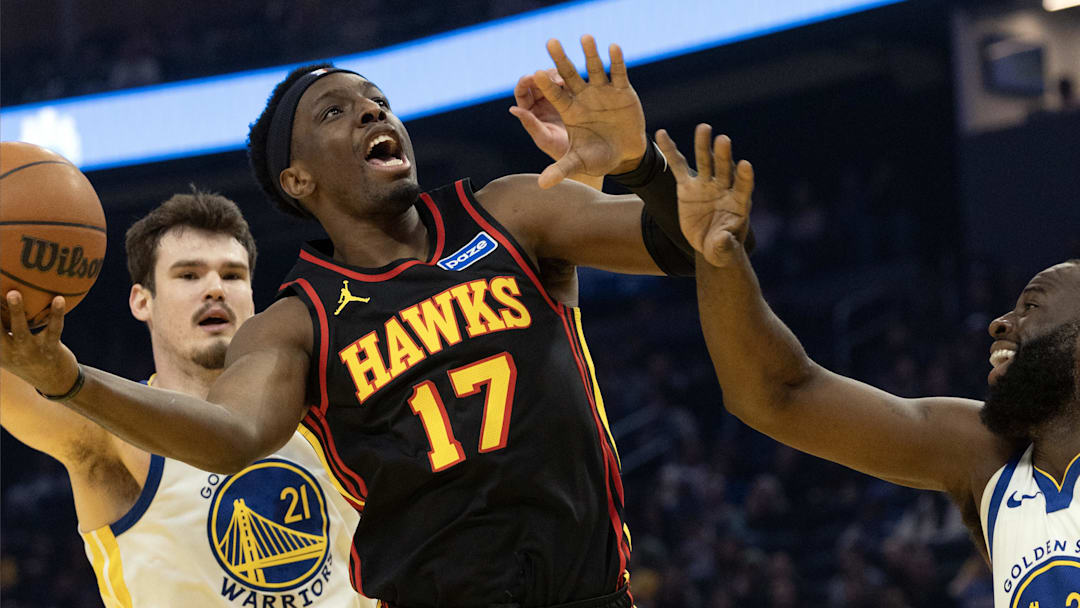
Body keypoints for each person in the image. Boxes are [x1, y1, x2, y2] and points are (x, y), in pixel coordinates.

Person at [2, 36, 695, 606]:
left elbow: (688, 247)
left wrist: (636, 165)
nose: (370, 113)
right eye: (336, 112)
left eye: (379, 102)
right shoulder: (292, 326)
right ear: (298, 179)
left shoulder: (509, 213)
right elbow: (230, 434)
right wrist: (66, 379)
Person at [654, 123, 1080, 607]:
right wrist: (718, 258)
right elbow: (776, 396)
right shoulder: (986, 458)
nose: (999, 323)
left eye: (1032, 306)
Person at [0, 191, 366, 607]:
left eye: (232, 275)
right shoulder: (109, 437)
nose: (215, 289)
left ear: (252, 296)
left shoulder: (325, 407)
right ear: (142, 301)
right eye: (189, 275)